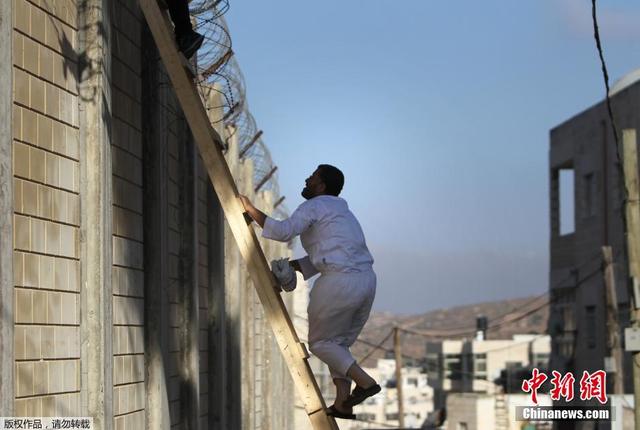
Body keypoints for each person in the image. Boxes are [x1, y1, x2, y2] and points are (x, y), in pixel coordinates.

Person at [239, 164, 381, 420]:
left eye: (313, 177)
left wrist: (250, 209)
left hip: (340, 283)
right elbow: (323, 258)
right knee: (338, 345)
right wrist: (290, 267)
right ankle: (343, 404)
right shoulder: (343, 214)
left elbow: (282, 232)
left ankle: (366, 382)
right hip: (366, 282)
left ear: (322, 185)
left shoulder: (315, 205)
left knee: (320, 343)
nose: (307, 179)